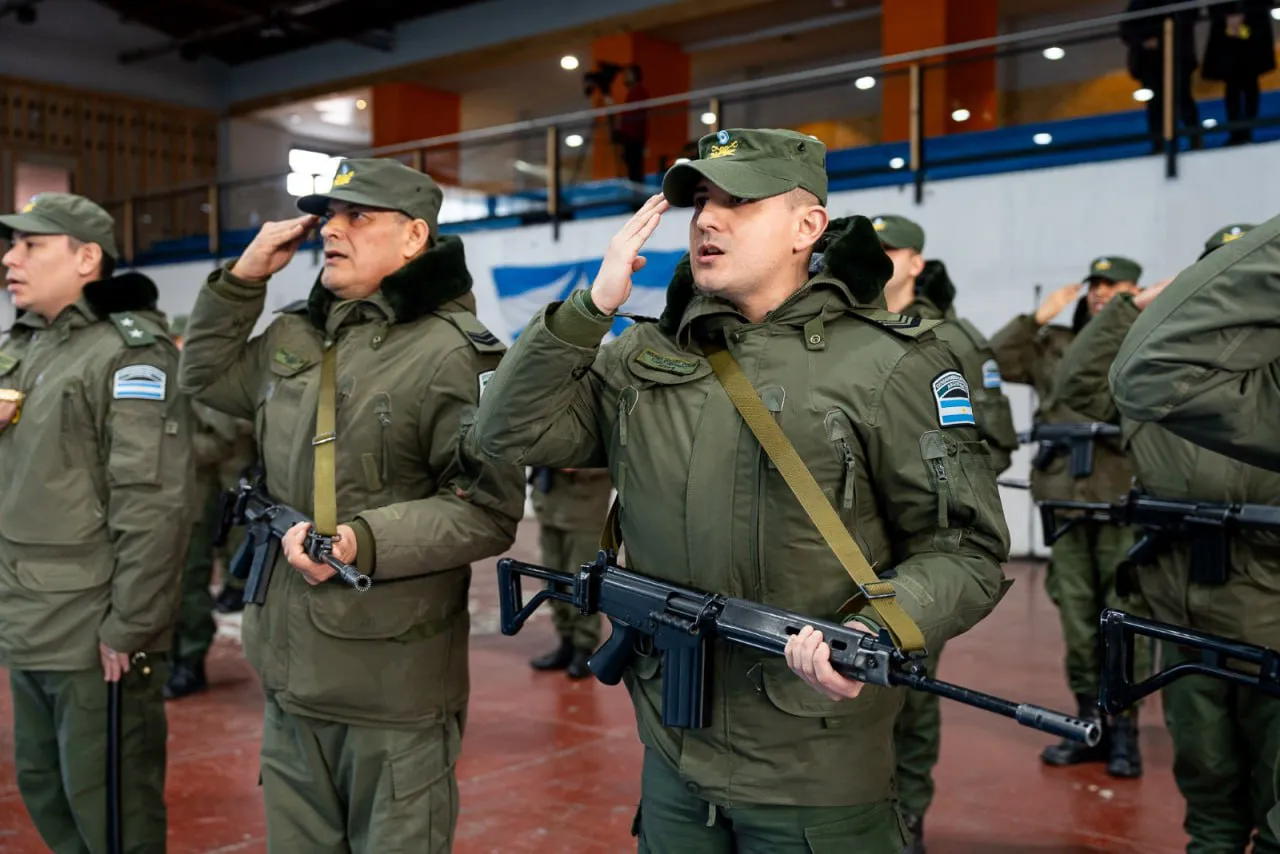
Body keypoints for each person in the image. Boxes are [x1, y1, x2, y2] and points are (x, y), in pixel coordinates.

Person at [468, 128, 1011, 852]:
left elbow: (964, 548)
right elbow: (503, 431)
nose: (707, 220)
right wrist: (587, 310)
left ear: (807, 226)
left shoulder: (890, 365)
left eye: (739, 201)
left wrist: (878, 627)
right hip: (673, 755)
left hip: (815, 770)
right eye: (699, 202)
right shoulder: (643, 359)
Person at [177, 157, 525, 853]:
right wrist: (245, 277)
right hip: (287, 675)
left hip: (390, 692)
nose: (332, 229)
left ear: (414, 237)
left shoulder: (457, 356)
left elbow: (486, 509)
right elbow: (205, 378)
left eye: (357, 216)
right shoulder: (295, 336)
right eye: (329, 215)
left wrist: (362, 540)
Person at [1059, 222, 1280, 853]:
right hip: (1183, 622)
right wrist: (1131, 307)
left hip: (1270, 623)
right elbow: (1078, 387)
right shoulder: (1167, 393)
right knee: (1208, 801)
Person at [0, 192, 191, 852]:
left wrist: (131, 624)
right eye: (12, 245)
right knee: (44, 788)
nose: (10, 259)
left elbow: (153, 503)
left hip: (92, 630)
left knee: (108, 808)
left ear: (86, 258)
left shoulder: (127, 355)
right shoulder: (25, 345)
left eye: (31, 246)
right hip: (26, 616)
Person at [872, 214, 1018, 852]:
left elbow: (994, 440)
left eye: (890, 251)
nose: (877, 261)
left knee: (907, 687)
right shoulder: (827, 331)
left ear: (915, 263)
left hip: (919, 547)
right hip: (839, 539)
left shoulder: (952, 338)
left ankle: (908, 818)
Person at [988, 256, 1146, 777]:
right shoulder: (1054, 343)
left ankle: (1126, 731)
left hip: (1121, 499)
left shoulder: (1144, 340)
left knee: (1123, 620)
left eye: (1114, 286)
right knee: (1078, 620)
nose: (1102, 293)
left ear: (1133, 291)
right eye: (1095, 285)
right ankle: (1089, 724)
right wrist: (1035, 318)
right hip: (1067, 502)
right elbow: (995, 360)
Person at [164, 314, 256, 699]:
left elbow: (221, 437)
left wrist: (169, 451)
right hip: (164, 499)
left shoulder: (200, 376)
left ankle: (189, 662)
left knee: (189, 584)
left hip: (196, 498)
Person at [527, 467, 612, 678]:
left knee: (582, 578)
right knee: (551, 576)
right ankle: (566, 642)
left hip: (584, 499)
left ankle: (583, 647)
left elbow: (614, 449)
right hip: (549, 497)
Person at [1121, 0, 1201, 152]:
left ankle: (1194, 140)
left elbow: (1188, 17)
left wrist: (1163, 39)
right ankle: (1158, 145)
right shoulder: (1139, 4)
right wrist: (1144, 41)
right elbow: (1126, 28)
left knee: (1182, 100)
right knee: (1156, 105)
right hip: (1151, 64)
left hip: (1178, 60)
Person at [1202, 1, 1276, 146]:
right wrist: (1226, 15)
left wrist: (1244, 13)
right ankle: (1235, 132)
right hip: (1227, 30)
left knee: (1250, 81)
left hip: (1253, 23)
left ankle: (1247, 132)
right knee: (1232, 83)